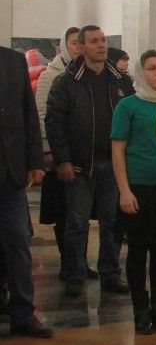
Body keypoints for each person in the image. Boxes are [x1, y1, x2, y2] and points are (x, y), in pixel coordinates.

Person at [45, 25, 134, 297]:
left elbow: (131, 118)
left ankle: (110, 273)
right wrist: (62, 159)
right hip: (80, 164)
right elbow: (55, 122)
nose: (101, 45)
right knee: (77, 222)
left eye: (103, 40)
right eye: (94, 41)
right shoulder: (66, 81)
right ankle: (75, 273)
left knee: (111, 222)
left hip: (112, 163)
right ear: (82, 47)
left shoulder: (120, 81)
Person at [111, 50, 156, 335]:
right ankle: (140, 309)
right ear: (141, 72)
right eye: (151, 68)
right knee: (139, 250)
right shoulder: (128, 106)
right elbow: (118, 150)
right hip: (138, 187)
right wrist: (124, 191)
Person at [0, 44, 52, 337]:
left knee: (18, 240)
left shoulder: (13, 60)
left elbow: (28, 113)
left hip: (10, 170)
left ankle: (22, 312)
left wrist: (35, 161)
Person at [35, 27, 82, 279]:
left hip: (80, 153)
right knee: (63, 210)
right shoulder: (50, 75)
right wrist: (47, 150)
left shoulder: (86, 73)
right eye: (73, 43)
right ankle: (68, 260)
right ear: (64, 46)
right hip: (58, 152)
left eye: (80, 42)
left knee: (80, 211)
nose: (78, 47)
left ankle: (79, 261)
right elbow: (43, 115)